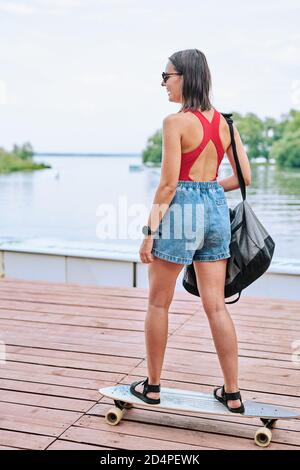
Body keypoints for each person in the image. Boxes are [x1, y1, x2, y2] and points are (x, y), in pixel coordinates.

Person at [130, 49, 251, 413]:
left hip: (180, 212)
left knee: (158, 302)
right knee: (216, 305)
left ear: (185, 77)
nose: (163, 84)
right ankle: (232, 393)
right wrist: (210, 188)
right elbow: (245, 178)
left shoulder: (174, 122)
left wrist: (149, 230)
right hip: (215, 211)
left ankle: (151, 387)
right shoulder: (227, 124)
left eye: (166, 76)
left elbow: (168, 185)